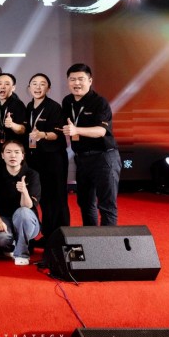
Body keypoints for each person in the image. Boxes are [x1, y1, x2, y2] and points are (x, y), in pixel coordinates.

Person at [62, 63, 121, 226]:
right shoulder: (67, 101)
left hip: (104, 157)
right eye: (72, 79)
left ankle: (108, 241)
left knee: (107, 205)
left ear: (90, 81)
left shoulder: (99, 102)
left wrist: (76, 130)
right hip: (81, 159)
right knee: (85, 203)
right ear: (68, 81)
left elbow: (101, 131)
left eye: (81, 79)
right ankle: (91, 238)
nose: (76, 83)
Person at [24, 73, 69, 242]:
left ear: (48, 88)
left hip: (53, 158)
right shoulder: (29, 107)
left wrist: (42, 135)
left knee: (56, 197)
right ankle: (48, 234)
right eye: (34, 83)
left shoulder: (54, 107)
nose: (38, 87)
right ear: (29, 88)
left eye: (42, 84)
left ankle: (61, 237)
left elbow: (58, 134)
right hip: (36, 158)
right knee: (43, 198)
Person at [0, 140, 41, 266]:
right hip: (4, 218)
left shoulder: (32, 175)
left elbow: (28, 206)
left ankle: (22, 253)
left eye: (17, 152)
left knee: (22, 212)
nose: (13, 156)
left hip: (27, 221)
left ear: (22, 156)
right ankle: (11, 245)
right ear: (2, 155)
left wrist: (24, 191)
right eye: (8, 152)